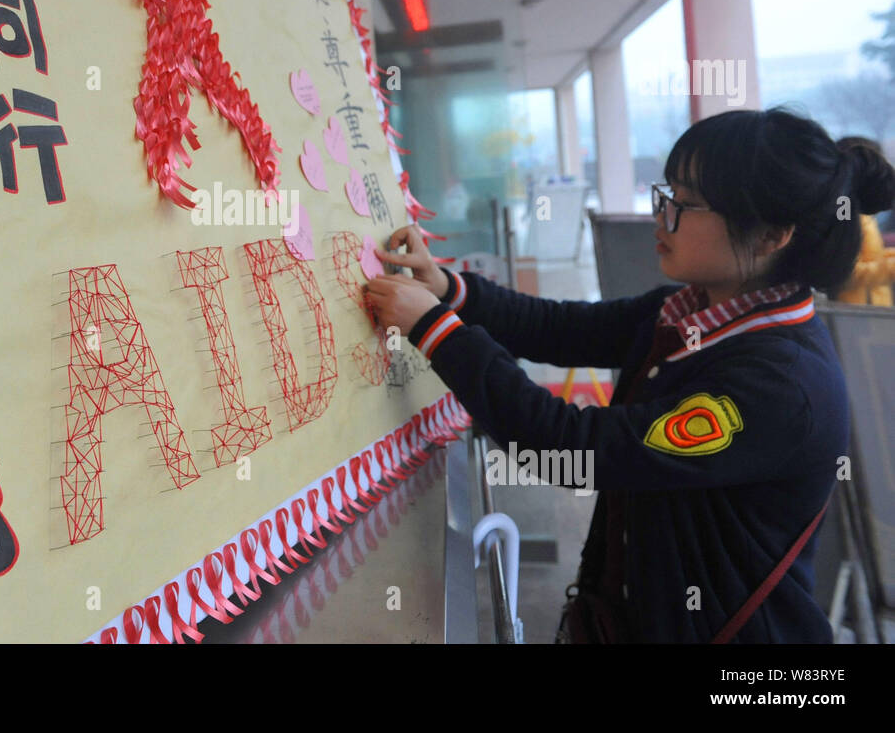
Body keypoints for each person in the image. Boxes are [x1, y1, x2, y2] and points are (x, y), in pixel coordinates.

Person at [364, 107, 895, 643]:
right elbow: (563, 328)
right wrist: (451, 291)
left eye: (685, 204)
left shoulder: (780, 385)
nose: (660, 217)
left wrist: (436, 331)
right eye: (666, 194)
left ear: (771, 234)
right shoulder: (690, 310)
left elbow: (567, 447)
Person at [829, 136, 895, 306]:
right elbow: (844, 272)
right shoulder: (842, 207)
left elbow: (869, 257)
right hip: (852, 316)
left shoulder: (858, 205)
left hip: (872, 310)